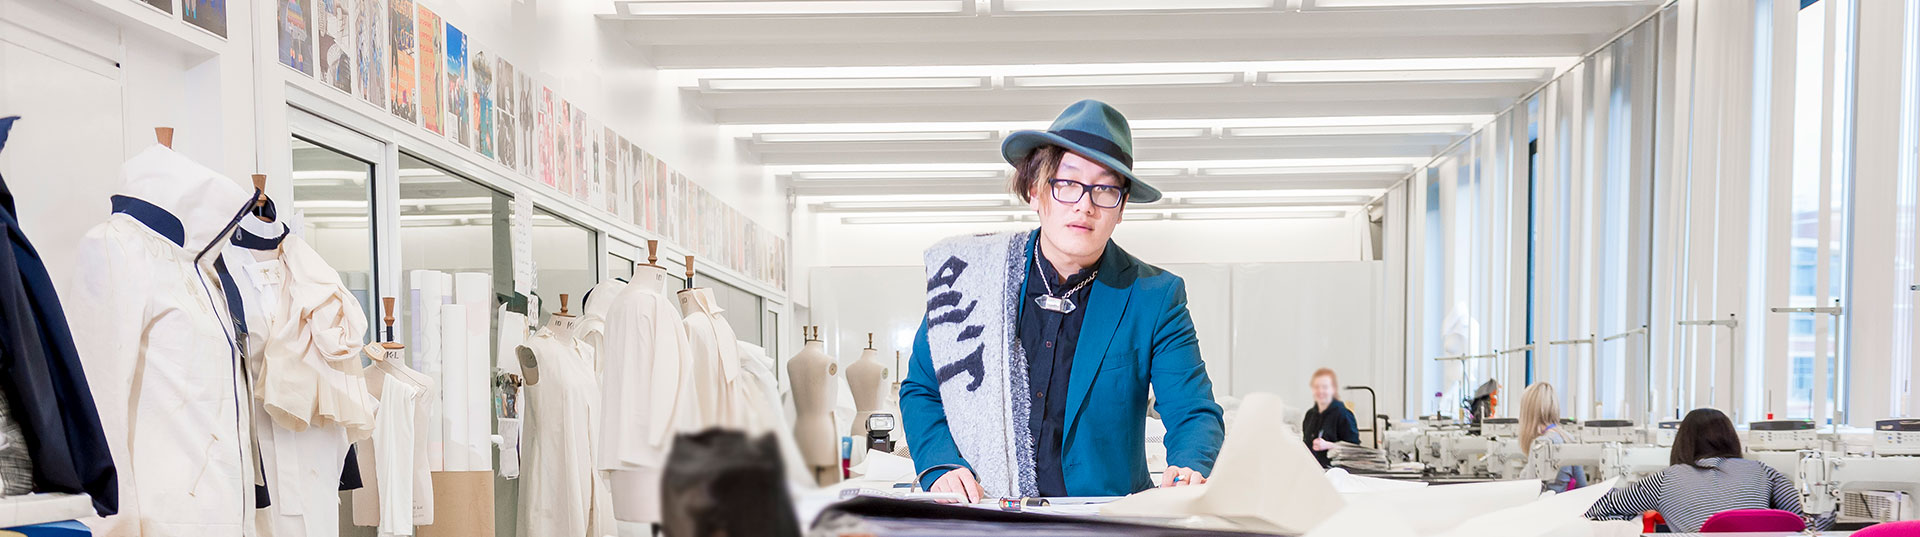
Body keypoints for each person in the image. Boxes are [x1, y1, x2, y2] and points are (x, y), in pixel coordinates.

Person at [900, 99, 1225, 503]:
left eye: (1105, 189)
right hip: (989, 512)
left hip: (1102, 520)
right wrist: (940, 463)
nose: (1084, 205)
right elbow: (922, 388)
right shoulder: (971, 276)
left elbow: (1193, 410)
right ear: (1036, 191)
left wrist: (1190, 464)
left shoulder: (1155, 296)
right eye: (1067, 184)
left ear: (1121, 208)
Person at [1585, 408, 1835, 532]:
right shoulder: (1762, 471)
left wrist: (1629, 521)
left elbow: (1596, 510)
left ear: (1682, 441)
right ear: (1732, 438)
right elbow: (1808, 523)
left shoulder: (1664, 480)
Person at [1515, 383, 1584, 492]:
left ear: (1527, 413)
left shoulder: (1540, 444)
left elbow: (1528, 492)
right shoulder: (1569, 438)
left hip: (1546, 507)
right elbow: (1582, 487)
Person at [1302, 368, 1360, 468]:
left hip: (1336, 473)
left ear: (1333, 389)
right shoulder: (1310, 415)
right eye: (1317, 387)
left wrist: (1329, 445)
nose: (1320, 391)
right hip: (1313, 471)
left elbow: (1354, 450)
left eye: (1325, 387)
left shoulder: (1344, 414)